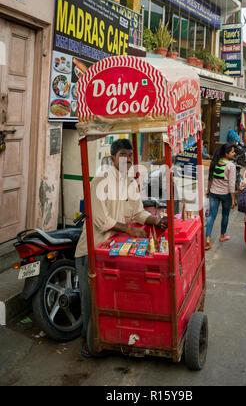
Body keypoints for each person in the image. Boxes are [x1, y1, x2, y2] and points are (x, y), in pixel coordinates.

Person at [75, 139, 168, 357]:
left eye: (130, 155)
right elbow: (100, 221)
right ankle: (89, 342)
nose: (127, 159)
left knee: (111, 298)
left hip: (116, 249)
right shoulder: (99, 182)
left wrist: (155, 221)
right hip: (92, 249)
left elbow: (137, 212)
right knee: (91, 301)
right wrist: (130, 229)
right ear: (113, 157)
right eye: (123, 155)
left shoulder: (131, 183)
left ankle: (111, 338)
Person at [205, 144, 236, 251]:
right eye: (232, 152)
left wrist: (208, 190)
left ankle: (207, 238)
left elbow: (210, 178)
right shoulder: (231, 166)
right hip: (225, 195)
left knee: (211, 216)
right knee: (225, 215)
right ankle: (222, 236)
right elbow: (232, 185)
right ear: (226, 153)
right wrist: (233, 199)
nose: (234, 153)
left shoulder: (215, 162)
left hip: (213, 192)